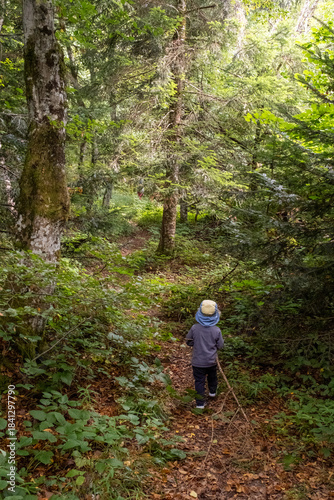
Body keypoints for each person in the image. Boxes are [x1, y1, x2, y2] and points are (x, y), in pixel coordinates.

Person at [186, 300, 224, 409]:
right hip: (211, 361)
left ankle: (200, 404)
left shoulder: (194, 328)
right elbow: (220, 345)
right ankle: (212, 393)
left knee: (199, 381)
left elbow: (188, 341)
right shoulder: (216, 330)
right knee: (212, 377)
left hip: (197, 361)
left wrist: (195, 343)